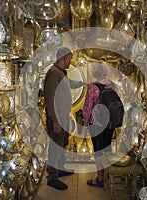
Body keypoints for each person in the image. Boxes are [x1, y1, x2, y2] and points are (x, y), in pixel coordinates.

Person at [44, 46, 85, 190]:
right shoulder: (54, 74)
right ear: (64, 58)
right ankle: (52, 177)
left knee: (62, 144)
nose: (70, 61)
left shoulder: (61, 73)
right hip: (58, 117)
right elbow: (50, 98)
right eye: (69, 59)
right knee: (55, 147)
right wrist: (55, 120)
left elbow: (69, 84)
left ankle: (59, 169)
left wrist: (83, 83)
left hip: (64, 116)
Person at [82, 62, 118, 188]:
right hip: (110, 123)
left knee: (98, 151)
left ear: (94, 73)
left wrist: (85, 122)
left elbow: (88, 106)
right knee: (107, 148)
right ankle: (107, 176)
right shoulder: (113, 85)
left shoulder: (93, 87)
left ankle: (100, 179)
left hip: (97, 124)